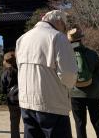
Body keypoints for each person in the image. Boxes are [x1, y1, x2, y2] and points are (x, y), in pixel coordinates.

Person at [16, 10, 77, 138]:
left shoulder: (22, 39)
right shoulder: (58, 37)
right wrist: (70, 86)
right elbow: (68, 75)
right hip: (52, 103)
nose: (64, 29)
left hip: (26, 102)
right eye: (64, 26)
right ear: (60, 22)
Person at [67, 27, 99, 138]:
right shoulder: (92, 53)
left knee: (80, 124)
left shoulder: (67, 56)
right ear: (81, 39)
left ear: (70, 41)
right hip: (94, 93)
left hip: (75, 93)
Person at [2, 51, 20, 138]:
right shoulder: (21, 70)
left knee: (14, 121)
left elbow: (3, 87)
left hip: (12, 99)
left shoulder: (5, 73)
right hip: (23, 97)